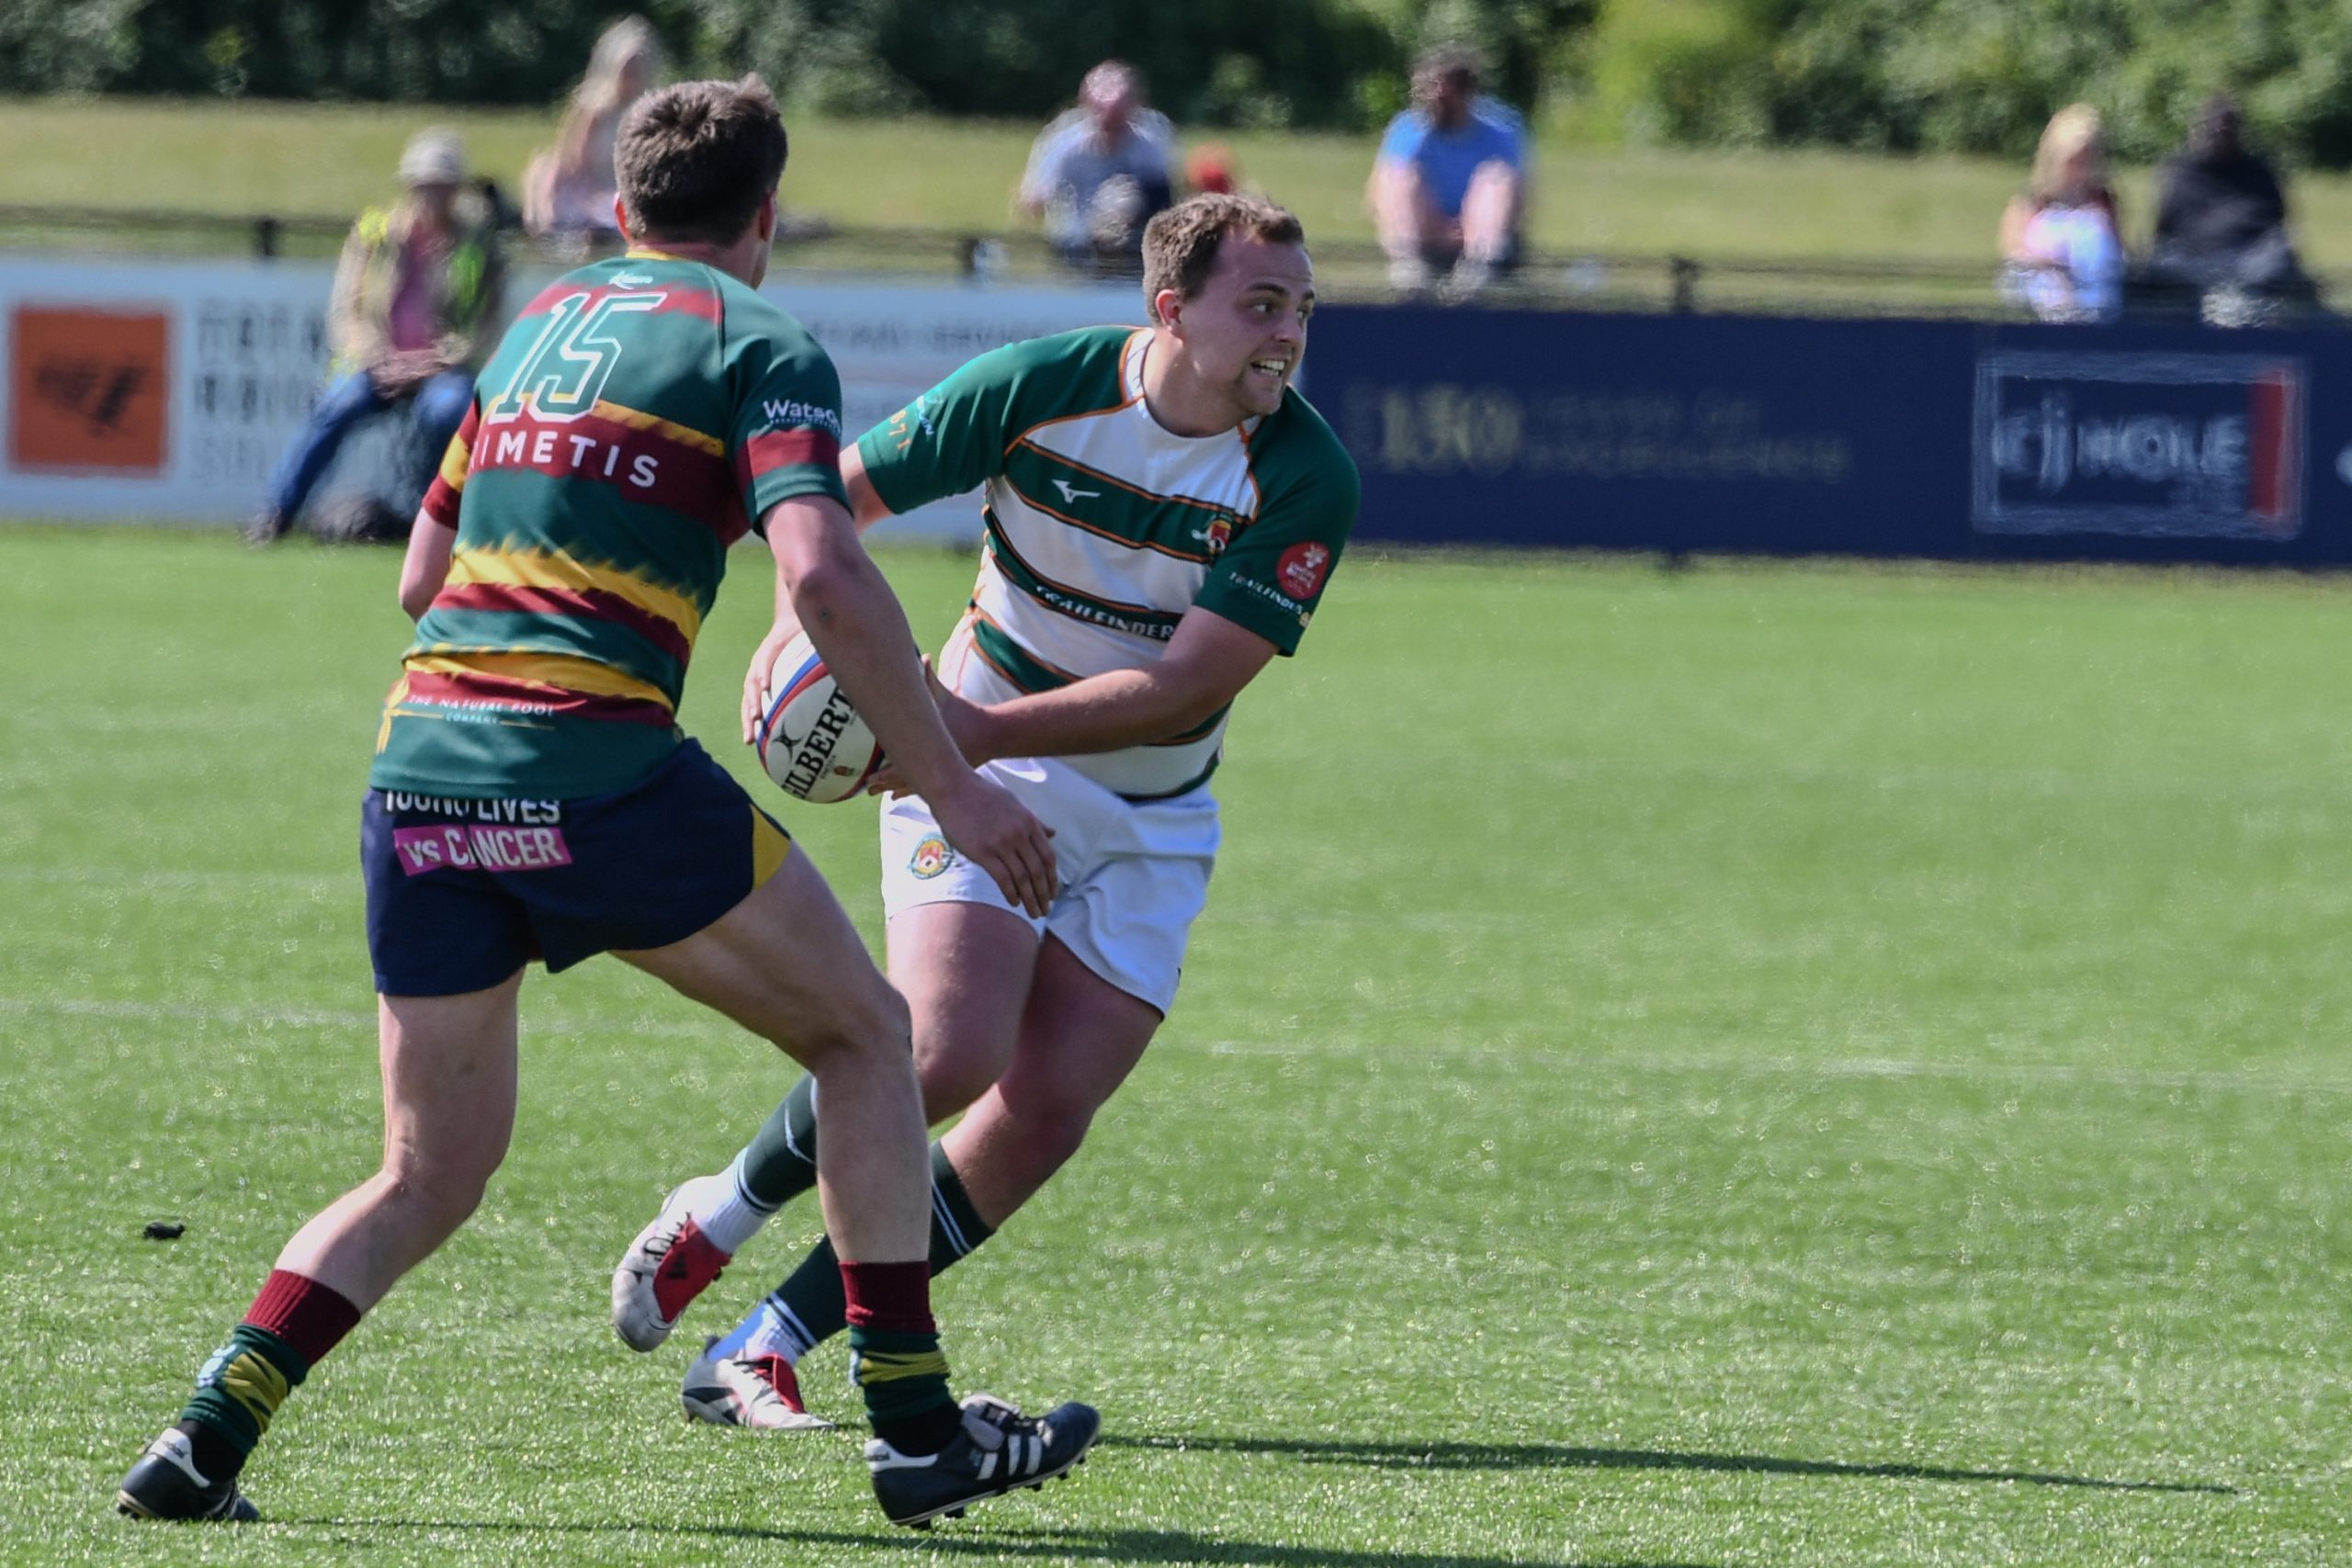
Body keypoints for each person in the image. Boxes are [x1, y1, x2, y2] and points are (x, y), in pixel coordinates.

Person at [116, 75, 1097, 1532]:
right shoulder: (756, 338)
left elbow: (421, 575)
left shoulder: (538, 326)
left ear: (623, 206)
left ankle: (203, 1437)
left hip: (423, 772)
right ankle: (913, 1431)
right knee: (867, 1036)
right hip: (596, 766)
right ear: (766, 214)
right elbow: (823, 572)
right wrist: (950, 782)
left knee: (426, 1170)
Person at [605, 192, 1360, 1434]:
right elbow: (831, 501)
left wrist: (972, 732)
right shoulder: (1039, 386)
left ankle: (763, 1342)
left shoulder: (1305, 474)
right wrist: (804, 636)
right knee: (946, 1051)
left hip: (1142, 808)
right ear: (1171, 310)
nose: (1288, 334)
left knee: (1044, 1110)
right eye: (1262, 305)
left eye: (1303, 310)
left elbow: (1187, 686)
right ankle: (719, 1213)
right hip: (974, 760)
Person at [246, 130, 503, 543]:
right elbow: (345, 311)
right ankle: (276, 514)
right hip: (377, 365)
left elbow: (486, 324)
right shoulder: (376, 234)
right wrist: (375, 355)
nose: (432, 195)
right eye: (424, 185)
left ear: (457, 189)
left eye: (442, 185)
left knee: (449, 411)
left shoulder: (477, 243)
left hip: (440, 370)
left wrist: (438, 361)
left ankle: (434, 521)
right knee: (336, 404)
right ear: (408, 185)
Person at [1369, 45, 1526, 301]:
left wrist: (1467, 231)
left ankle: (1479, 270)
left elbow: (1519, 198)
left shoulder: (1500, 131)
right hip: (1426, 232)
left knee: (1497, 178)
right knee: (1401, 178)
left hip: (1480, 236)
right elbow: (1380, 193)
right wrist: (1441, 231)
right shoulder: (1408, 129)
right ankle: (1411, 268)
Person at [2149, 93, 2316, 321]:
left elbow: (2278, 227)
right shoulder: (2181, 174)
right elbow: (2164, 233)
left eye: (2227, 130)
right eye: (2214, 129)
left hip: (2251, 260)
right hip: (2191, 262)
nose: (2220, 134)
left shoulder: (2259, 173)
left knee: (2278, 260)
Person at [1018, 61, 1178, 273]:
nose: (1110, 126)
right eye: (1102, 115)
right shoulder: (1067, 146)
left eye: (1117, 118)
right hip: (1077, 246)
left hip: (1135, 245)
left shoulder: (1150, 148)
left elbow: (1165, 204)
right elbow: (1035, 199)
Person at [522, 14, 662, 242]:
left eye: (636, 69)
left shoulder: (648, 112)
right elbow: (572, 158)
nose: (630, 76)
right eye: (626, 69)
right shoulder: (595, 110)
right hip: (590, 190)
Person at [1997, 104, 2126, 324]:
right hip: (2043, 300)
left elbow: (2119, 254)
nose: (2081, 167)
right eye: (2074, 160)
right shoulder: (2030, 203)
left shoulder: (2105, 202)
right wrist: (2053, 267)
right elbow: (2014, 256)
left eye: (2088, 157)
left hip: (2098, 302)